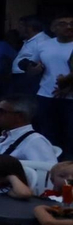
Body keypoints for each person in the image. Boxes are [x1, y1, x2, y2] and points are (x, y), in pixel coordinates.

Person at [20, 15, 73, 159]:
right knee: (48, 133)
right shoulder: (44, 45)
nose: (68, 27)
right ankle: (50, 166)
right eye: (63, 24)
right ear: (53, 28)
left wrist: (68, 85)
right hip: (46, 95)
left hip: (70, 98)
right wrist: (34, 70)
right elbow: (33, 68)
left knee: (70, 133)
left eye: (71, 24)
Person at [0, 96, 62, 163]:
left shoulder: (35, 141)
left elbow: (48, 172)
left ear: (20, 116)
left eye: (0, 111)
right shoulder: (1, 139)